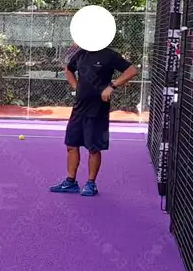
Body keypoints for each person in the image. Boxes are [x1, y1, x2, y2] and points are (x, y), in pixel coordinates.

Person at [50, 41, 138, 197]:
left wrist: (111, 87)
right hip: (79, 109)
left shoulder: (109, 55)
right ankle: (70, 182)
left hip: (98, 109)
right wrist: (76, 86)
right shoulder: (81, 54)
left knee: (94, 148)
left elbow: (132, 70)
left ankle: (91, 183)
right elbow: (69, 69)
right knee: (71, 145)